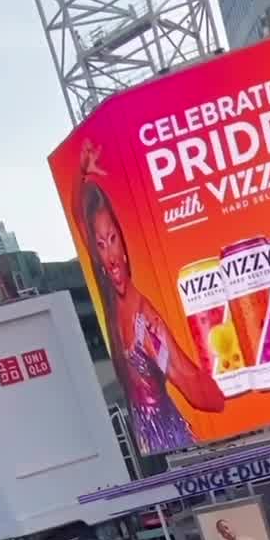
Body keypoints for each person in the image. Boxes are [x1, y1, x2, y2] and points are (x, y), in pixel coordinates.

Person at [78, 150, 225, 453]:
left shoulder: (139, 317)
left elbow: (206, 398)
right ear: (96, 254)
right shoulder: (123, 312)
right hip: (158, 446)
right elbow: (205, 396)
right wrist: (83, 174)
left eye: (113, 239)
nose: (111, 257)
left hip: (166, 443)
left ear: (124, 243)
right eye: (101, 245)